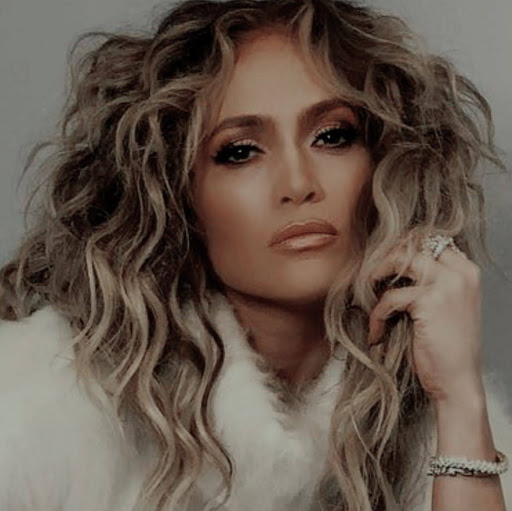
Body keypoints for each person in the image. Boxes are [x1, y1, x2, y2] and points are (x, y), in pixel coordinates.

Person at [0, 0, 510, 510]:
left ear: (386, 166)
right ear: (176, 196)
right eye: (240, 151)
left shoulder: (441, 418)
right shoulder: (41, 403)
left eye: (332, 137)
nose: (298, 183)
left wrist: (459, 400)